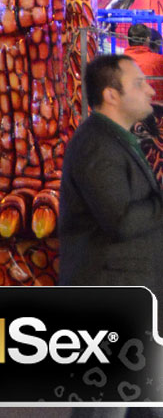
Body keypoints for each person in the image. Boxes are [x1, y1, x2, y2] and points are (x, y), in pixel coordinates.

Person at [60, 53, 163, 418]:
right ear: (111, 95)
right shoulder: (96, 146)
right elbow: (120, 220)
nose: (150, 89)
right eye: (138, 83)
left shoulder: (118, 139)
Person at [123, 23, 163, 102]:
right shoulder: (159, 60)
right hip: (155, 108)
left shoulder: (118, 62)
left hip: (128, 108)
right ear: (147, 39)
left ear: (128, 40)